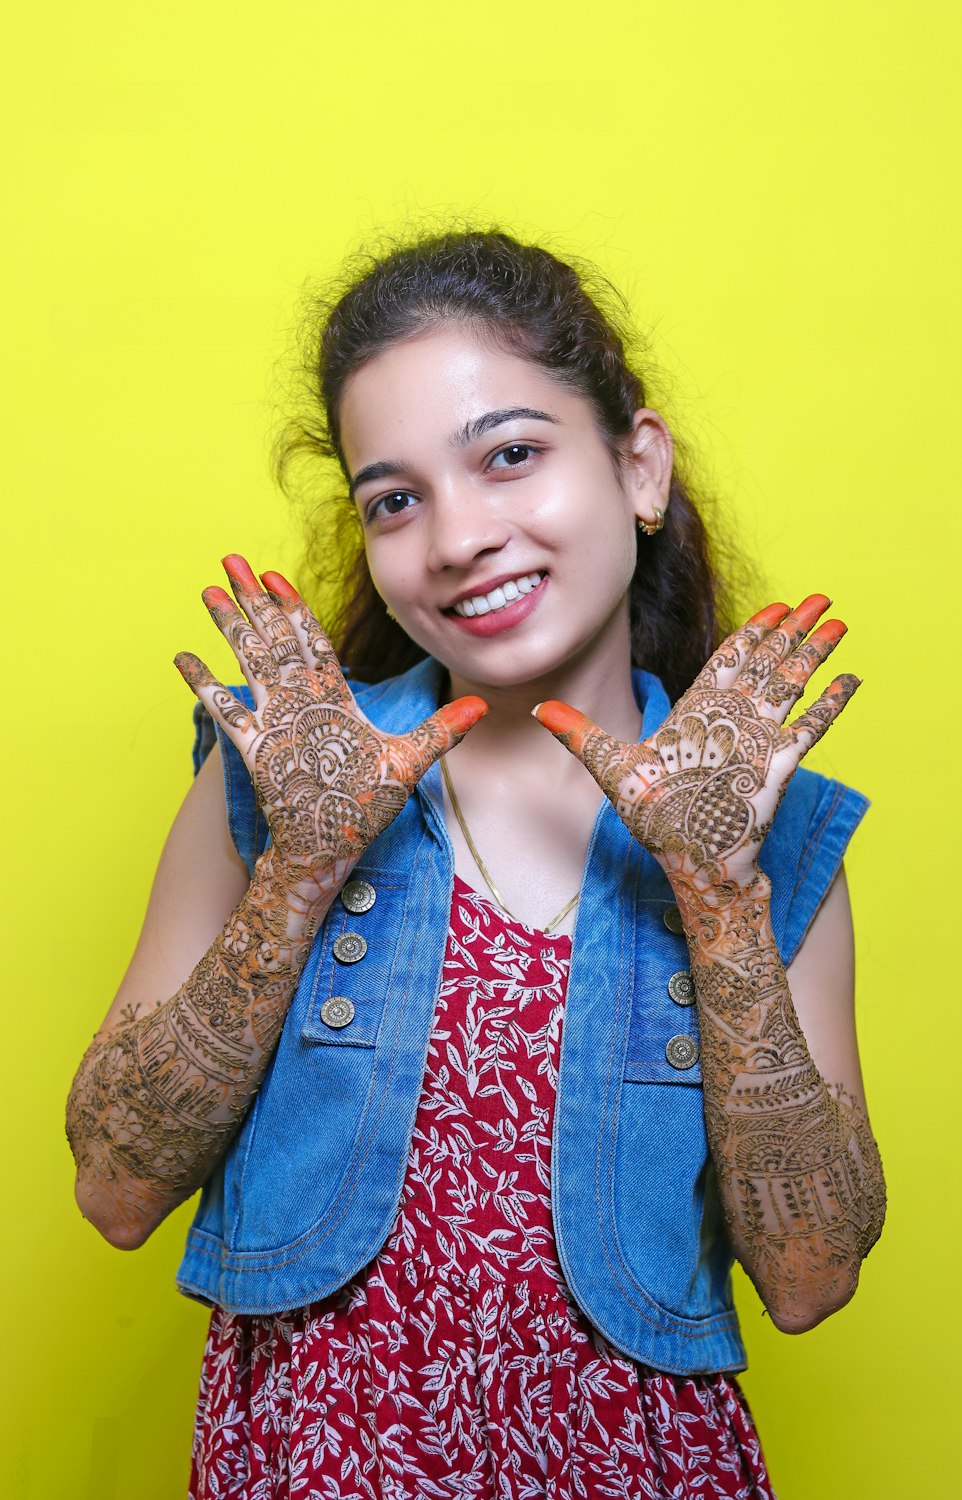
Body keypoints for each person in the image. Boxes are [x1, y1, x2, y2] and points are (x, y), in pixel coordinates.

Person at [66, 229, 886, 1499]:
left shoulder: (770, 833)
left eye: (510, 454)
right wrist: (298, 870)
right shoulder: (272, 777)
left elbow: (811, 1277)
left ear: (638, 464)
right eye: (396, 499)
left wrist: (720, 896)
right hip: (313, 1468)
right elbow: (115, 1187)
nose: (457, 539)